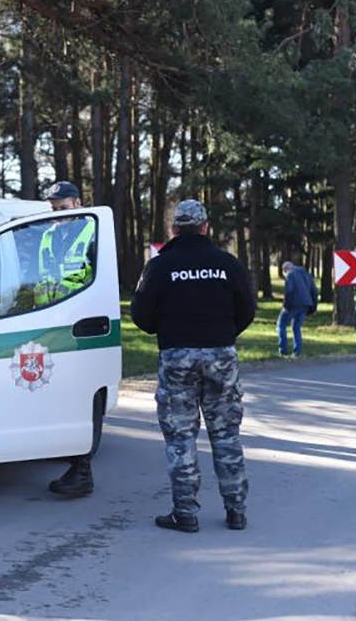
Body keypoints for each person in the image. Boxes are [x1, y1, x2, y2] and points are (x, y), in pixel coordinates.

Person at [131, 200, 256, 532]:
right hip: (221, 357)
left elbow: (141, 315)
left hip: (177, 358)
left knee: (181, 437)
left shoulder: (160, 266)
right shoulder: (227, 264)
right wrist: (222, 332)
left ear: (174, 229)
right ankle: (236, 511)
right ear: (205, 227)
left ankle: (185, 513)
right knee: (226, 435)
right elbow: (247, 310)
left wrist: (171, 330)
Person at [42, 181, 97, 497]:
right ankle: (71, 459)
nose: (57, 215)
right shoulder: (47, 234)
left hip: (80, 326)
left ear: (77, 203)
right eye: (53, 209)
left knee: (77, 399)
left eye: (62, 208)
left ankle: (82, 470)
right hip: (51, 324)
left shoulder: (91, 231)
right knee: (57, 397)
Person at [277, 261, 318, 356]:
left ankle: (283, 351)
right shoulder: (307, 275)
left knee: (281, 324)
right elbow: (314, 291)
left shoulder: (290, 274)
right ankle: (297, 352)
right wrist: (314, 307)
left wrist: (286, 306)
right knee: (296, 327)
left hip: (293, 304)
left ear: (285, 270)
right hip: (305, 305)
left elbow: (289, 291)